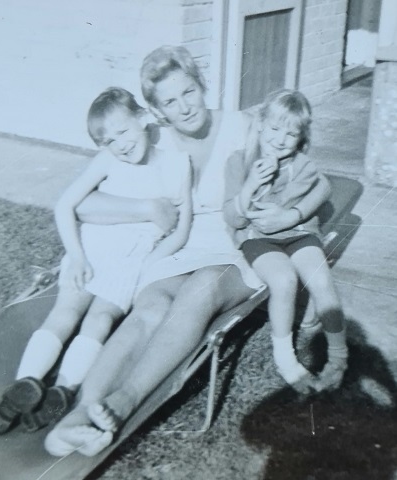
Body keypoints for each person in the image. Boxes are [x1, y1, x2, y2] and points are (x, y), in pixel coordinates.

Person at [44, 46, 332, 457]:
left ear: (201, 85)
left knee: (200, 290)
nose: (184, 107)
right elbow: (83, 200)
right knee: (149, 308)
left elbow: (319, 180)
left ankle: (124, 400)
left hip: (237, 241)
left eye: (189, 92)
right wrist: (144, 209)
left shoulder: (244, 126)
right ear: (155, 110)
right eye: (169, 101)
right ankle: (77, 418)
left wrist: (295, 211)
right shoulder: (147, 137)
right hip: (178, 242)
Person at [0, 87, 192, 435]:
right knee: (67, 313)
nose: (120, 144)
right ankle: (31, 384)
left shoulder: (175, 164)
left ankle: (55, 388)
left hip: (132, 260)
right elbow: (65, 205)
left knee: (96, 319)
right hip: (93, 248)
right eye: (109, 140)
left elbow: (181, 229)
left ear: (143, 119)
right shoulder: (109, 162)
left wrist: (147, 267)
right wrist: (77, 255)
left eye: (123, 131)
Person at [224, 89, 348, 393]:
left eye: (291, 134)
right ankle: (286, 359)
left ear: (301, 137)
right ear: (261, 123)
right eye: (275, 129)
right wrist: (251, 184)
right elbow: (233, 218)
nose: (280, 140)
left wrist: (291, 215)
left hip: (300, 234)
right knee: (283, 279)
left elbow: (323, 186)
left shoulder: (302, 165)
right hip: (259, 239)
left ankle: (339, 358)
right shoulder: (239, 162)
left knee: (321, 280)